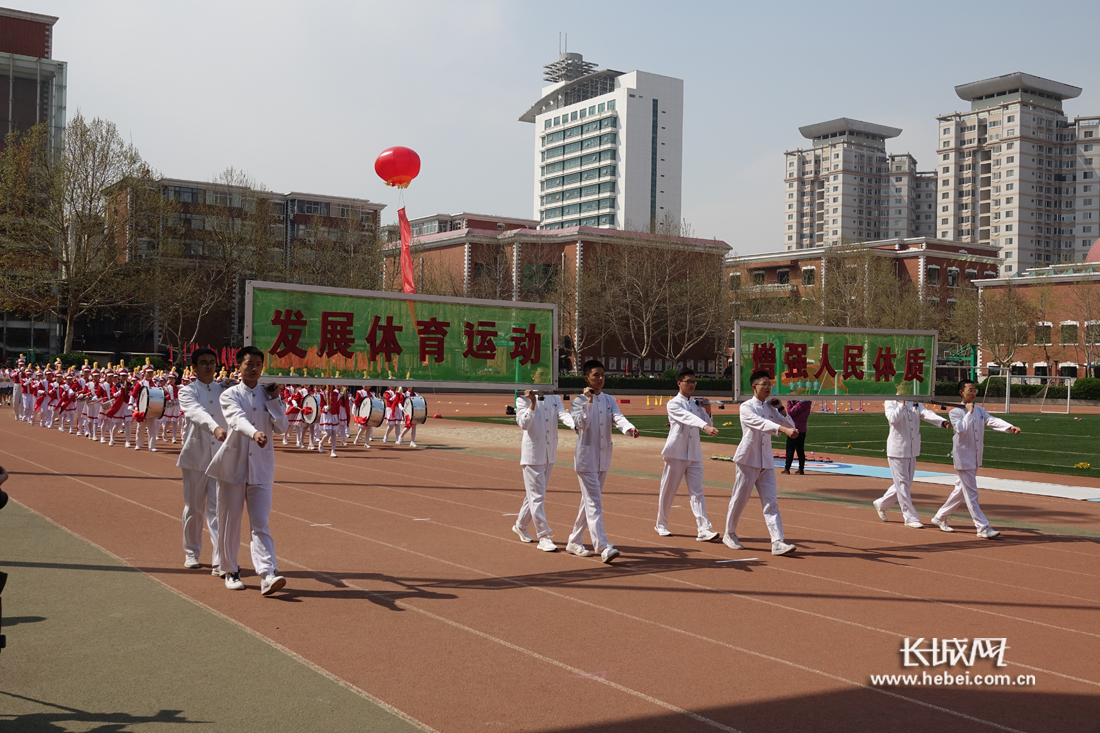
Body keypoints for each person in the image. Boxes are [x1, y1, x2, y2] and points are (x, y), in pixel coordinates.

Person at [206, 346, 288, 595]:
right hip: (233, 467)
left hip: (261, 467)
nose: (253, 368)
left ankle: (267, 573)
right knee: (230, 522)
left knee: (261, 523)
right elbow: (236, 419)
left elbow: (282, 427)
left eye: (258, 364)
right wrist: (254, 433)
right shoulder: (229, 394)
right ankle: (229, 569)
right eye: (249, 364)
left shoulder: (269, 395)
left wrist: (275, 400)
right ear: (239, 367)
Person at [568, 359, 639, 563]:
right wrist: (589, 402)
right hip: (586, 459)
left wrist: (629, 428)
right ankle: (603, 546)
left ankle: (574, 540)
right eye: (596, 375)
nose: (600, 379)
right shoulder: (578, 401)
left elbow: (618, 417)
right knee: (594, 503)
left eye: (602, 375)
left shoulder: (609, 400)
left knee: (589, 502)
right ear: (586, 378)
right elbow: (581, 424)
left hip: (603, 457)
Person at [930, 379, 1021, 538]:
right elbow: (961, 430)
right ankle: (982, 527)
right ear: (961, 392)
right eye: (970, 390)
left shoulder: (979, 410)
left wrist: (1009, 426)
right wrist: (969, 413)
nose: (973, 393)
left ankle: (939, 517)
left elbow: (991, 420)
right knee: (971, 493)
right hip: (963, 458)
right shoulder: (955, 412)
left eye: (974, 390)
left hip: (976, 456)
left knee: (961, 491)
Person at [724, 370, 799, 556]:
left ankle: (777, 542)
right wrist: (782, 429)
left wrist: (782, 410)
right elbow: (760, 424)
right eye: (764, 384)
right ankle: (729, 533)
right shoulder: (746, 407)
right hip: (748, 459)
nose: (768, 387)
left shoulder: (771, 408)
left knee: (771, 502)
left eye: (769, 384)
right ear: (754, 387)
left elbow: (791, 427)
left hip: (766, 461)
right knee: (739, 499)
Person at [176, 348, 228, 574]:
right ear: (194, 367)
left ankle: (219, 559)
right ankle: (191, 552)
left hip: (221, 456)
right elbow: (195, 412)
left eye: (212, 362)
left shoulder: (225, 390)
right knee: (194, 508)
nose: (209, 366)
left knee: (218, 510)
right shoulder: (187, 391)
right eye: (204, 362)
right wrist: (214, 427)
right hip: (195, 456)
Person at [655, 367, 720, 541]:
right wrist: (705, 425)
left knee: (697, 491)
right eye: (688, 381)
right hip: (676, 452)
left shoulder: (695, 405)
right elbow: (687, 418)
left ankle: (704, 528)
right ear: (679, 383)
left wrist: (708, 410)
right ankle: (661, 524)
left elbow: (706, 423)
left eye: (694, 382)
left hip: (694, 453)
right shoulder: (673, 404)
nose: (692, 384)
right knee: (668, 490)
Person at [872, 392, 951, 528]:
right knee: (902, 484)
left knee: (905, 483)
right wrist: (901, 404)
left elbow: (925, 413)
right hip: (897, 449)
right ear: (898, 387)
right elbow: (892, 419)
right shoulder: (891, 401)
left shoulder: (914, 401)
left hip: (912, 448)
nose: (907, 388)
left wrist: (942, 422)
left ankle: (882, 503)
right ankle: (910, 517)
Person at [512, 388, 575, 552]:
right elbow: (524, 424)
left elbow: (562, 414)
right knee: (537, 496)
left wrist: (576, 425)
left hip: (549, 453)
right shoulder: (523, 398)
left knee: (535, 494)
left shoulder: (554, 397)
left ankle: (520, 525)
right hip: (532, 454)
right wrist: (532, 403)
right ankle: (543, 536)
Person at [781, 400, 812, 474]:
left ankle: (787, 468)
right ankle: (801, 469)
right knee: (800, 450)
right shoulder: (807, 404)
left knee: (790, 450)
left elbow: (790, 412)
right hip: (802, 429)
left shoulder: (799, 405)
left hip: (794, 429)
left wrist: (789, 402)